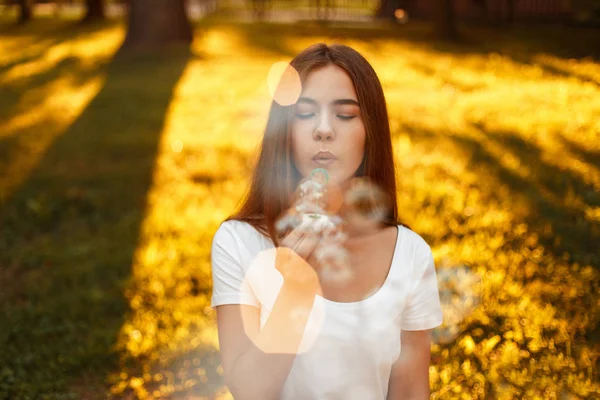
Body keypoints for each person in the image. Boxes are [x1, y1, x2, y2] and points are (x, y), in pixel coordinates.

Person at [210, 43, 443, 400]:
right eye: (304, 114)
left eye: (346, 115)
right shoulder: (239, 242)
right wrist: (295, 288)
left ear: (371, 132)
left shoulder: (408, 254)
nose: (323, 130)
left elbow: (411, 391)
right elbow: (251, 391)